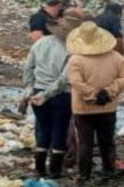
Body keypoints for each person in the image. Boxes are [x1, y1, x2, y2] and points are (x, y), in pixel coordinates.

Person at [67, 22, 124, 183]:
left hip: (83, 108)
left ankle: (84, 174)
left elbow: (75, 82)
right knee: (107, 140)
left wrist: (92, 94)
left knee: (85, 142)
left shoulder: (76, 60)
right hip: (108, 106)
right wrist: (109, 92)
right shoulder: (117, 58)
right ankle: (108, 169)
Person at [22, 14, 83, 178]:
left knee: (43, 130)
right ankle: (55, 171)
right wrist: (48, 94)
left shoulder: (40, 44)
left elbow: (28, 69)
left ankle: (40, 168)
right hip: (61, 95)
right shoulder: (72, 50)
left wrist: (30, 89)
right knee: (59, 131)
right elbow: (64, 79)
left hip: (38, 91)